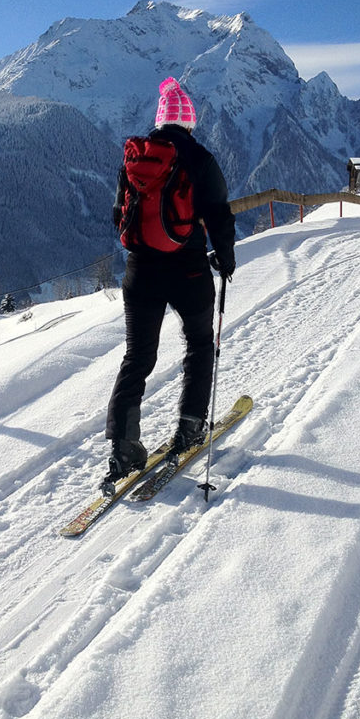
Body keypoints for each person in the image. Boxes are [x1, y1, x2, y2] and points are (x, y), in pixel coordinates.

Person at [103, 77, 236, 489]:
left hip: (139, 272)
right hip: (189, 271)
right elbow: (219, 216)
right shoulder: (200, 158)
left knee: (137, 358)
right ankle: (191, 425)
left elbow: (117, 216)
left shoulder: (136, 159)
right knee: (199, 345)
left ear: (160, 122)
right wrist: (225, 260)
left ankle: (124, 447)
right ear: (189, 122)